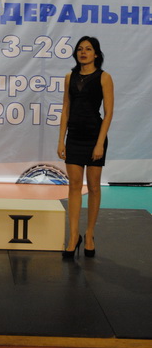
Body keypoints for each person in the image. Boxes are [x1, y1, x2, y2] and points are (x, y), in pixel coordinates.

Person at [57, 36, 114, 258]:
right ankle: (74, 236)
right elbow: (66, 109)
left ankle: (89, 234)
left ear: (96, 54)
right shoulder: (69, 77)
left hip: (94, 136)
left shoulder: (104, 77)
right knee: (73, 185)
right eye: (80, 49)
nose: (83, 52)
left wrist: (100, 143)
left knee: (94, 186)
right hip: (74, 137)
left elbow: (108, 113)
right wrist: (61, 140)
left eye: (88, 49)